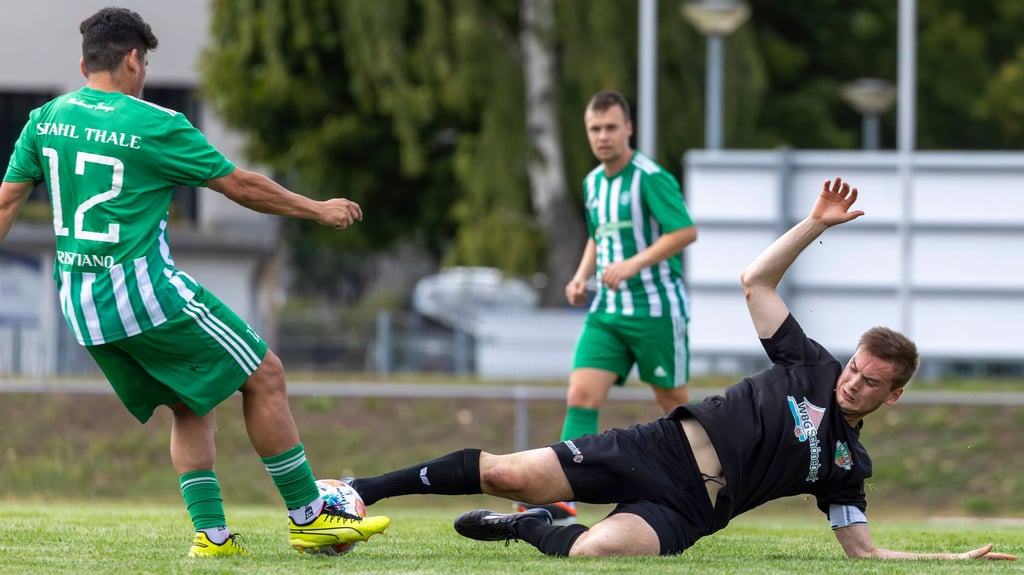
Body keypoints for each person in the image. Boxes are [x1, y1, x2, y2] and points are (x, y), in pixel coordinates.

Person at [346, 177, 1016, 561]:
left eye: (870, 382)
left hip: (692, 508)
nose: (853, 382)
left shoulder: (848, 465)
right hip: (657, 447)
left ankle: (527, 526)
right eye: (855, 369)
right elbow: (755, 281)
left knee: (592, 554)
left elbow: (863, 553)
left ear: (892, 396)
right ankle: (360, 490)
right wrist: (815, 224)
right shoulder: (809, 362)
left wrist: (951, 559)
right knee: (506, 473)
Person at [0, 7, 389, 557]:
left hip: (81, 306)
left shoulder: (44, 120)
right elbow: (239, 185)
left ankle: (212, 537)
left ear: (84, 65)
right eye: (145, 63)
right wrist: (316, 208)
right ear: (134, 60)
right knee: (265, 375)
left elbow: (6, 203)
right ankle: (311, 516)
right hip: (143, 294)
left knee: (190, 401)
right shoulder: (155, 124)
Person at [521, 90, 697, 523]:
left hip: (656, 311)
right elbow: (599, 236)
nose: (602, 136)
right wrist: (581, 276)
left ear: (628, 128)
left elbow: (684, 232)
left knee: (674, 405)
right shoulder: (593, 182)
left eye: (611, 127)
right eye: (595, 129)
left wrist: (634, 264)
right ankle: (562, 496)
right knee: (581, 394)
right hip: (609, 313)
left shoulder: (650, 177)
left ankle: (704, 487)